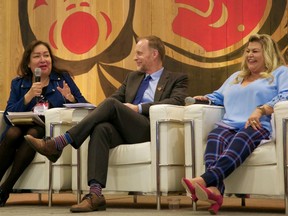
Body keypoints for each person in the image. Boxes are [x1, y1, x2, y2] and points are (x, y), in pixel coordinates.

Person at [24, 35, 189, 212]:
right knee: (101, 128)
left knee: (111, 106)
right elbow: (112, 100)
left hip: (149, 128)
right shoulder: (132, 78)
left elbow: (177, 101)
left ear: (154, 54)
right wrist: (80, 104)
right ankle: (95, 194)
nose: (135, 57)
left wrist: (138, 108)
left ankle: (59, 142)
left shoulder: (177, 78)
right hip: (124, 129)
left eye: (139, 53)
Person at [181, 34, 288, 215]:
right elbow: (218, 96)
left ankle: (204, 180)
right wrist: (205, 99)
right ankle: (214, 191)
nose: (249, 55)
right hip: (228, 124)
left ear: (268, 53)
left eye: (255, 51)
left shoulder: (280, 73)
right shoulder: (236, 77)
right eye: (247, 51)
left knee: (240, 138)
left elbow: (285, 95)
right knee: (214, 137)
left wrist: (261, 109)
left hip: (257, 125)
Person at [0, 40, 87, 207]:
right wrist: (28, 96)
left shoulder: (63, 79)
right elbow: (8, 115)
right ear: (28, 62)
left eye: (46, 55)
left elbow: (85, 105)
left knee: (31, 133)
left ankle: (5, 188)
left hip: (46, 130)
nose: (43, 59)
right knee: (13, 132)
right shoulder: (19, 83)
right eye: (37, 56)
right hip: (20, 126)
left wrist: (71, 99)